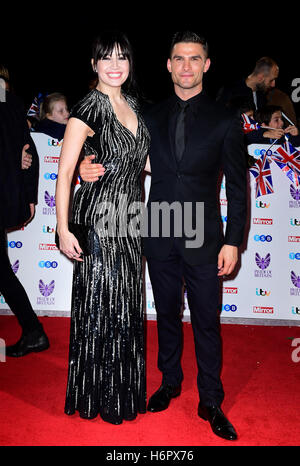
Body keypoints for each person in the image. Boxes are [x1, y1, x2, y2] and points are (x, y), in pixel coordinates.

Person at [79, 31, 248, 441]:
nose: (186, 66)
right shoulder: (147, 115)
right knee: (167, 314)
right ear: (168, 65)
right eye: (179, 58)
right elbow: (112, 152)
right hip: (157, 230)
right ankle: (169, 381)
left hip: (205, 235)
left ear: (206, 65)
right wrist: (87, 166)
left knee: (207, 320)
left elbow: (239, 188)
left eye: (195, 59)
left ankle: (210, 399)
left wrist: (233, 241)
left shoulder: (226, 119)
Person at [55, 30, 150, 424]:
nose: (115, 65)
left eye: (122, 58)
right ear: (93, 64)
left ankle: (123, 392)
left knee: (127, 303)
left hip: (132, 219)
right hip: (99, 218)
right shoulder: (87, 108)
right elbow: (63, 175)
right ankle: (97, 394)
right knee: (101, 304)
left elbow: (144, 163)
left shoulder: (135, 104)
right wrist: (62, 229)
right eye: (106, 58)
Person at [0, 84, 49, 357]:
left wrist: (29, 195)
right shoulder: (10, 100)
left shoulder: (7, 100)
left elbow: (28, 151)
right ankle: (33, 331)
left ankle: (33, 330)